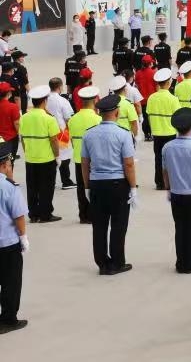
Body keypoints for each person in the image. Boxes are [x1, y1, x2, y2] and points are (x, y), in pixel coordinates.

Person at [81, 94, 138, 274]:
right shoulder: (123, 134)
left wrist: (87, 186)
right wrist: (133, 187)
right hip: (118, 183)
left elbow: (85, 163)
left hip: (97, 183)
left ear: (99, 113)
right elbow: (128, 164)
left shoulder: (89, 134)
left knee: (99, 226)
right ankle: (117, 262)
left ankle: (102, 263)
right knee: (118, 225)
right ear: (117, 112)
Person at [162, 108, 191, 273]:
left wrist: (168, 188)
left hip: (176, 193)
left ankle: (181, 261)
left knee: (180, 227)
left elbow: (165, 171)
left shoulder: (167, 147)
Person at [17, 87, 59, 222]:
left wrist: (27, 152)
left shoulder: (24, 117)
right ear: (44, 101)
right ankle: (46, 214)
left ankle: (34, 214)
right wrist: (57, 156)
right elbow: (54, 140)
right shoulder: (49, 119)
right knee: (46, 188)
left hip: (30, 159)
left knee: (32, 188)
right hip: (46, 159)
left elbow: (22, 138)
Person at [0, 142, 27, 334]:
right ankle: (8, 320)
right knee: (11, 282)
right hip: (7, 243)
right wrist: (23, 237)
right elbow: (18, 215)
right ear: (4, 165)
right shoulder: (8, 187)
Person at [67, 86, 101, 223]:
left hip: (78, 158)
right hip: (94, 160)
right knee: (94, 187)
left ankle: (83, 215)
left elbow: (72, 140)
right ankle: (94, 214)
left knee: (81, 187)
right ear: (95, 100)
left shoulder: (72, 119)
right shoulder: (98, 120)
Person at [146, 68, 180, 189]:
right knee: (170, 159)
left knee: (158, 158)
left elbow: (149, 115)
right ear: (169, 82)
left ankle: (159, 182)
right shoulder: (173, 99)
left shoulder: (151, 98)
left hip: (157, 133)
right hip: (170, 133)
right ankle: (169, 182)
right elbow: (177, 117)